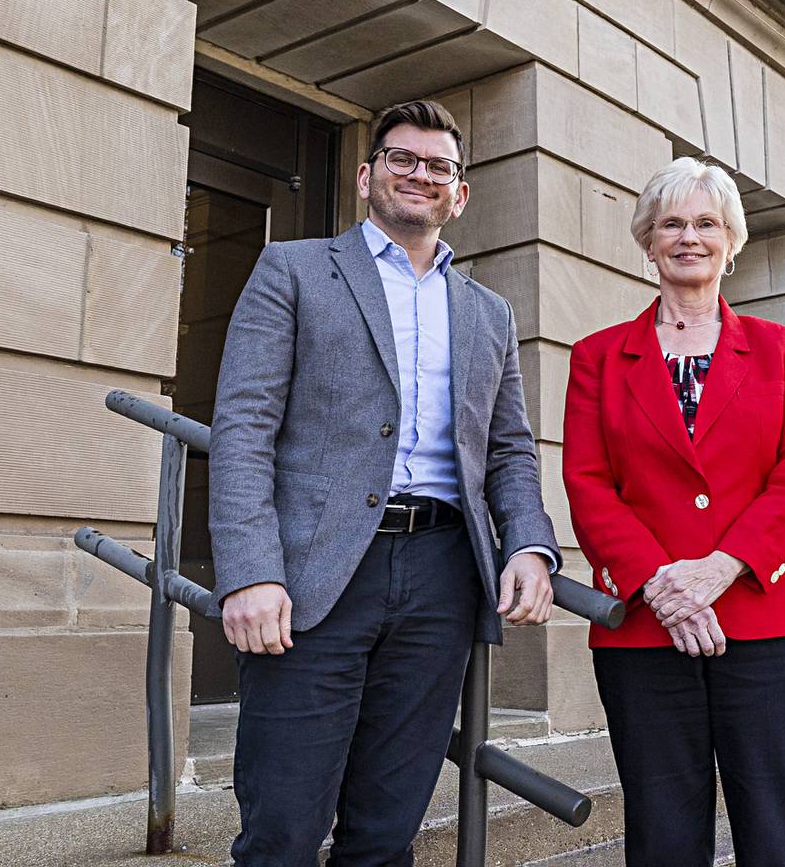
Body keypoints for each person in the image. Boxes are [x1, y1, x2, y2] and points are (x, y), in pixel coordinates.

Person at [209, 100, 561, 867]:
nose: (420, 176)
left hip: (441, 582)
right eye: (403, 159)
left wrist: (531, 546)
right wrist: (250, 572)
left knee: (386, 832)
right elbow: (242, 429)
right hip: (314, 576)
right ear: (367, 176)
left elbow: (509, 451)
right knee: (283, 830)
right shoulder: (294, 270)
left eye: (438, 167)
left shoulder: (488, 313)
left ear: (459, 194)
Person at [562, 156, 785, 866]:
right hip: (646, 632)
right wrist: (663, 586)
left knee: (776, 833)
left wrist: (718, 570)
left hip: (763, 621)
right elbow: (587, 483)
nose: (689, 237)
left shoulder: (781, 352)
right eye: (671, 223)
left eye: (706, 223)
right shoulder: (595, 357)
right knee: (663, 836)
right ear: (648, 241)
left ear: (731, 241)